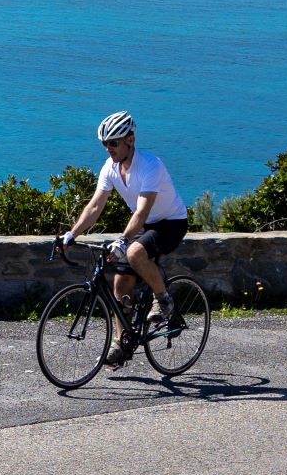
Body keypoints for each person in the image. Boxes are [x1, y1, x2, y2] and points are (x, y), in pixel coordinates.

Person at [58, 110, 189, 368]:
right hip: (146, 224)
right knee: (120, 282)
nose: (109, 148)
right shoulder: (110, 167)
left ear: (130, 139)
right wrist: (72, 234)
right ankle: (121, 343)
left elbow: (142, 211)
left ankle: (163, 300)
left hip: (171, 222)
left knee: (135, 253)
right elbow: (95, 206)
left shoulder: (151, 165)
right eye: (105, 144)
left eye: (114, 142)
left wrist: (123, 239)